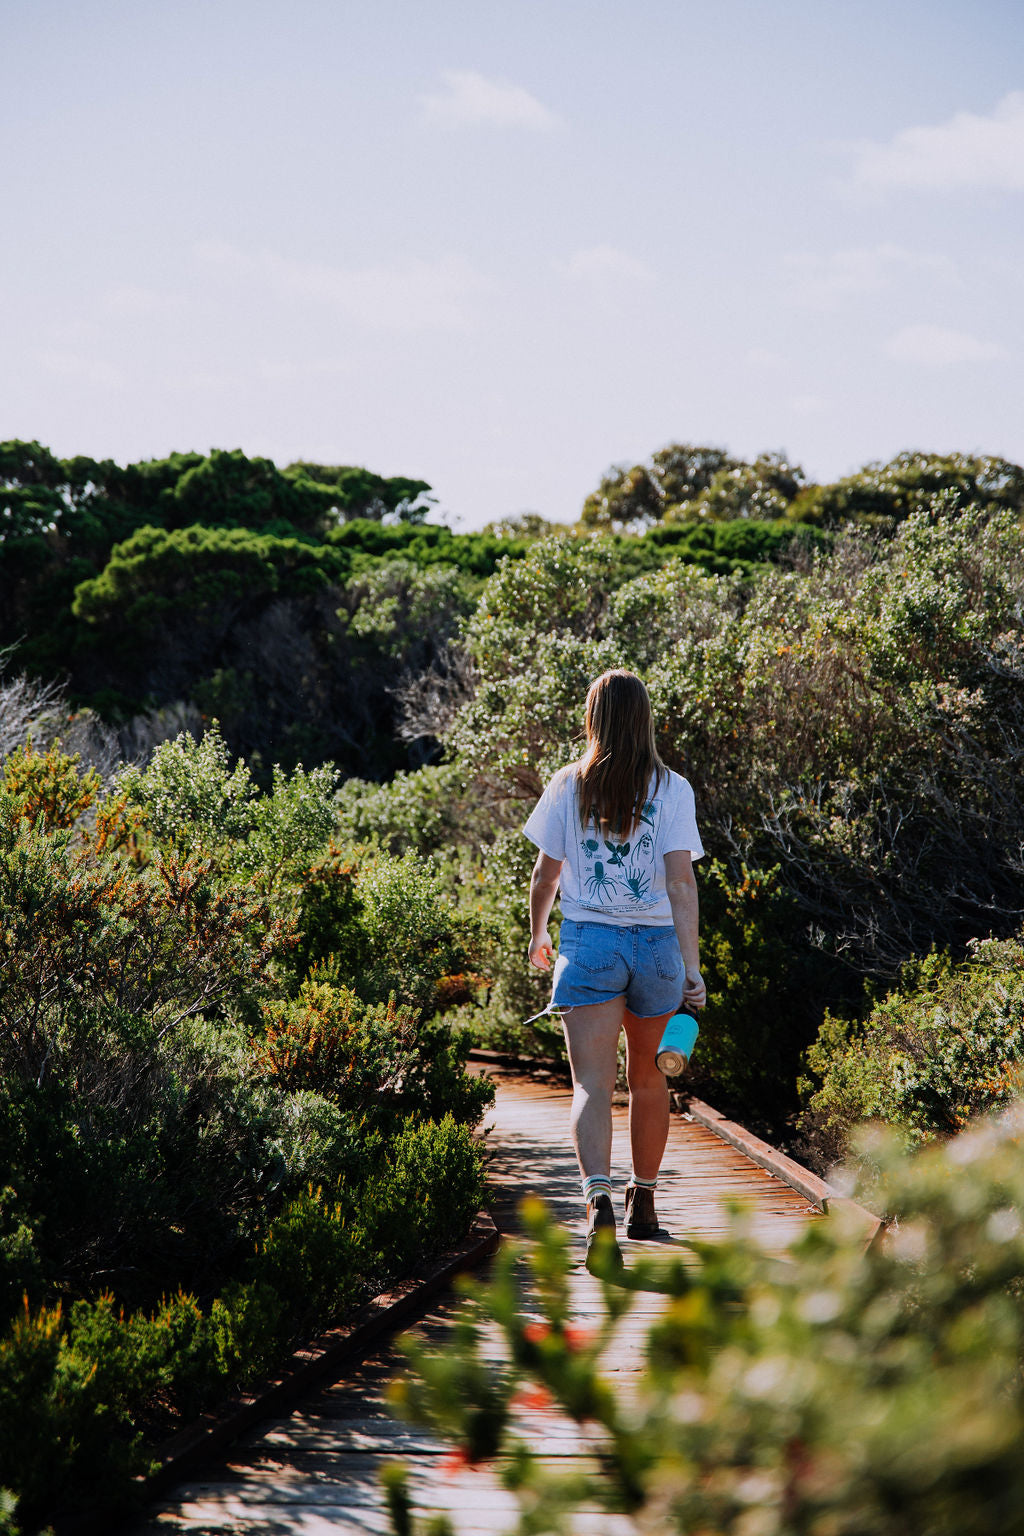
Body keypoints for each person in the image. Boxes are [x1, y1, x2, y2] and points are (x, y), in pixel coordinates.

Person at [523, 669, 706, 1272]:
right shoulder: (673, 788)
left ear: (593, 717)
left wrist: (537, 935)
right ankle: (644, 1203)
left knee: (590, 1087)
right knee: (650, 1083)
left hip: (590, 945)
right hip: (657, 948)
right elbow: (681, 879)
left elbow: (546, 876)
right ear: (645, 718)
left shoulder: (567, 785)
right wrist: (692, 964)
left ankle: (597, 1200)